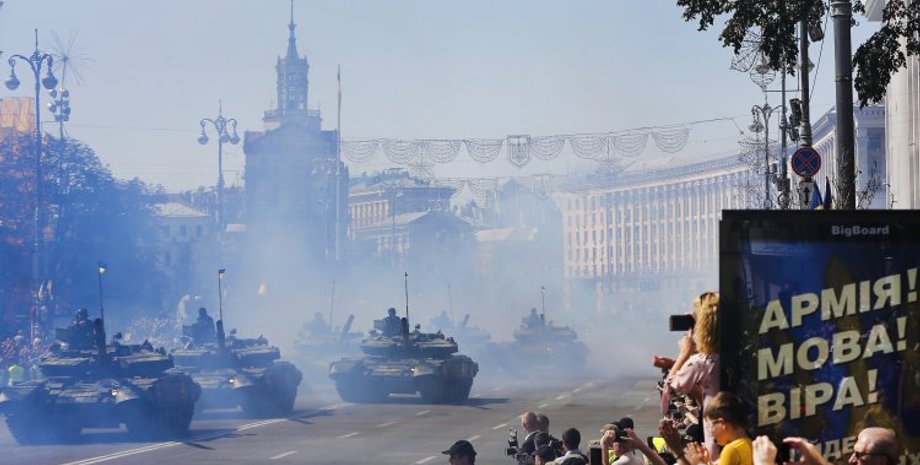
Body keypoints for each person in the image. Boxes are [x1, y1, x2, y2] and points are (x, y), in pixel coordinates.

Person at [660, 292, 720, 460]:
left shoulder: (703, 362)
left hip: (716, 448)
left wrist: (684, 354)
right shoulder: (740, 355)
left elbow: (667, 396)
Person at [684, 392, 752, 465]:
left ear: (722, 423)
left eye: (709, 427)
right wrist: (707, 461)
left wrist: (698, 462)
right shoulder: (750, 443)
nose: (710, 433)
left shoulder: (731, 450)